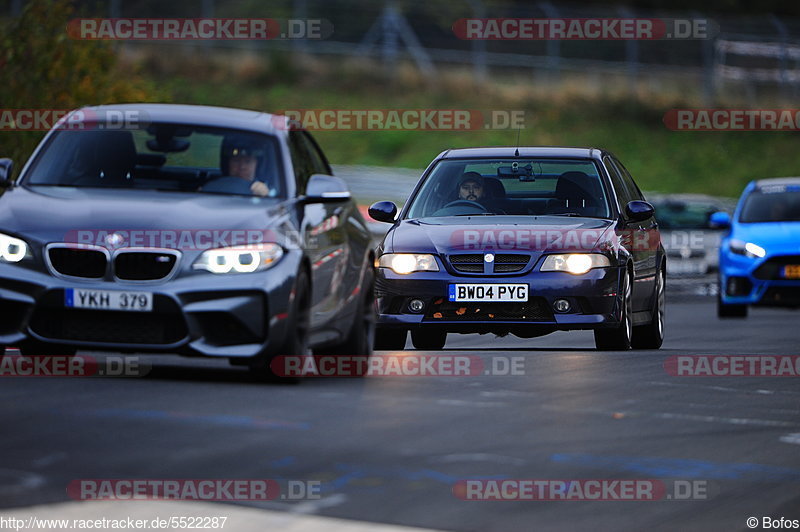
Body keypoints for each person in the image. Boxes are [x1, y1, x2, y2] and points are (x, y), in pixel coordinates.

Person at [202, 140, 270, 197]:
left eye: (247, 161)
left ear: (257, 166)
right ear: (227, 164)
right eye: (236, 161)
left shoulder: (265, 191)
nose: (242, 166)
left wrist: (265, 196)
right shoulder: (211, 188)